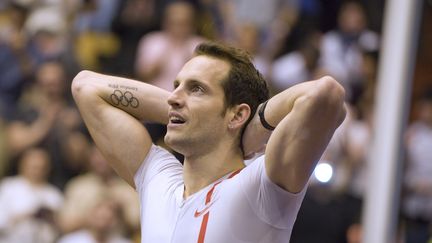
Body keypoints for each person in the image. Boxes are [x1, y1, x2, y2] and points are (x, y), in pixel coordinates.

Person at [71, 42, 346, 242]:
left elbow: (327, 95)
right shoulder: (159, 179)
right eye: (176, 86)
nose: (173, 97)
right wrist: (182, 112)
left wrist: (255, 128)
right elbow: (86, 87)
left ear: (238, 114)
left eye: (196, 89)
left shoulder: (261, 185)